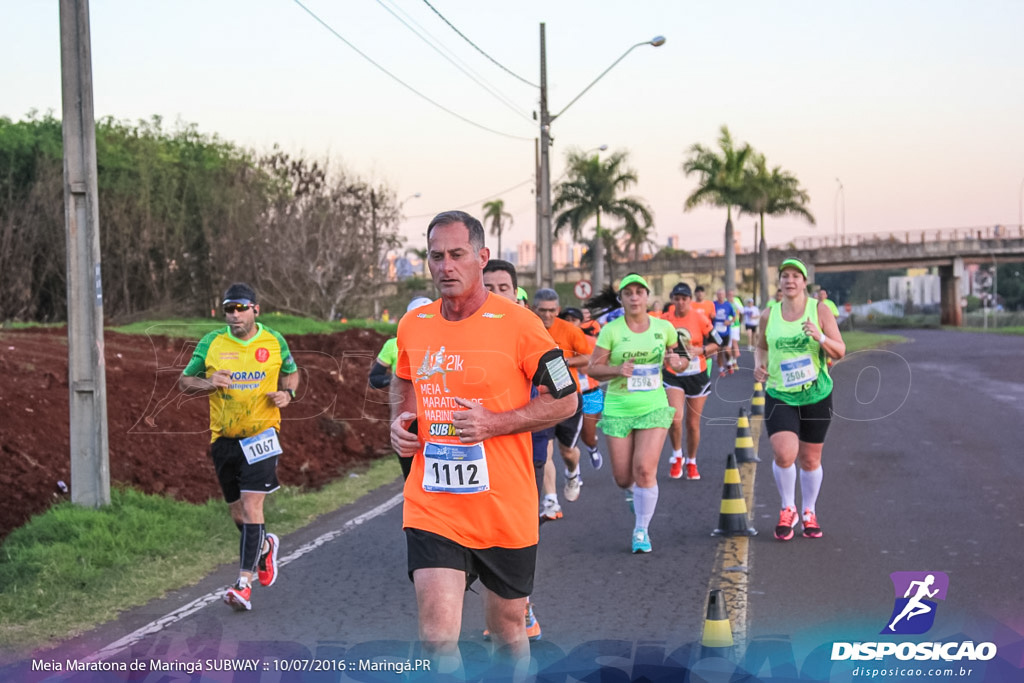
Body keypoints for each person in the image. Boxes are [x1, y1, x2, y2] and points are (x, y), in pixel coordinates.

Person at [389, 210, 578, 674]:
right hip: (435, 501)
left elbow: (566, 398)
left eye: (457, 255)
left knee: (509, 631)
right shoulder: (414, 325)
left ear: (482, 257)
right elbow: (403, 379)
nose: (446, 266)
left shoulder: (521, 324)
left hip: (503, 503)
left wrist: (494, 423)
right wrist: (399, 423)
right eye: (436, 257)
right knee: (436, 638)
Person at [178, 283, 299, 611]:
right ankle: (263, 548)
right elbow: (184, 381)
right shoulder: (211, 343)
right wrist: (207, 382)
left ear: (255, 309)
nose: (234, 314)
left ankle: (243, 584)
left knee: (250, 507)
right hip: (224, 439)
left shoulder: (273, 340)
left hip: (262, 435)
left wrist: (288, 395)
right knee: (237, 512)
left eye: (240, 308)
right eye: (228, 308)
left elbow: (291, 372)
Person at [587, 273, 687, 553]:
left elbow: (679, 360)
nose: (634, 297)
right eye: (628, 292)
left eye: (638, 292)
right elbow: (593, 368)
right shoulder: (612, 331)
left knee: (644, 468)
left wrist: (677, 361)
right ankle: (634, 494)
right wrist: (618, 370)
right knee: (623, 478)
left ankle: (641, 530)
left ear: (647, 297)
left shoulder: (664, 328)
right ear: (621, 299)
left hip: (653, 406)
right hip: (619, 407)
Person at [753, 258, 845, 542]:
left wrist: (820, 338)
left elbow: (839, 351)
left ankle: (809, 512)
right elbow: (760, 346)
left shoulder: (819, 310)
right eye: (785, 276)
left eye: (796, 276)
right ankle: (787, 508)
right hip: (780, 393)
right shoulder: (769, 314)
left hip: (816, 393)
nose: (790, 280)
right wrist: (759, 364)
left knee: (810, 458)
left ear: (805, 282)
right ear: (779, 282)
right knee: (783, 453)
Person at [531, 289, 593, 517]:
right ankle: (551, 501)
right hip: (540, 399)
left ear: (557, 310)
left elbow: (587, 357)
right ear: (533, 309)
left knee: (567, 451)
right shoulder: (528, 328)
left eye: (551, 311)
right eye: (542, 310)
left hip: (568, 397)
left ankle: (573, 472)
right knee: (544, 451)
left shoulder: (570, 331)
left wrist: (564, 361)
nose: (547, 315)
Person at [661, 282, 723, 481]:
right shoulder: (665, 320)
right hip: (673, 374)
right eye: (677, 299)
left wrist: (701, 350)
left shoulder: (699, 317)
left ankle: (692, 461)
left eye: (684, 299)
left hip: (697, 373)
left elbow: (718, 343)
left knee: (693, 424)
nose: (680, 303)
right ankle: (677, 455)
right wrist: (664, 354)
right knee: (676, 418)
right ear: (672, 300)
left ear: (689, 300)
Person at [368, 296, 434, 480]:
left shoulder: (448, 343)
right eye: (419, 317)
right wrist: (400, 380)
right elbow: (374, 379)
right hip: (408, 417)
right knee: (412, 477)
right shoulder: (394, 344)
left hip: (438, 417)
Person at [559, 307, 604, 471]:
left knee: (588, 435)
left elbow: (601, 365)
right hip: (568, 394)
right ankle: (573, 471)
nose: (570, 323)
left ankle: (593, 447)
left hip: (590, 393)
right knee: (569, 440)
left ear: (581, 323)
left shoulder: (591, 342)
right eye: (566, 319)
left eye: (574, 320)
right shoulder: (555, 341)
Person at [712, 289, 737, 377]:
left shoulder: (728, 305)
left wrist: (729, 322)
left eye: (722, 294)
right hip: (716, 332)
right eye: (719, 294)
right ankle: (721, 369)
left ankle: (729, 362)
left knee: (726, 349)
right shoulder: (713, 304)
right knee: (719, 350)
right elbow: (708, 315)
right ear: (717, 295)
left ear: (724, 295)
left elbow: (734, 317)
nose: (720, 296)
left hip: (726, 331)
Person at [729, 288, 745, 368]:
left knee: (734, 343)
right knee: (729, 344)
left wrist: (734, 302)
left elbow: (742, 310)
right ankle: (730, 361)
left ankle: (734, 361)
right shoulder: (725, 301)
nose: (730, 296)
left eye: (732, 295)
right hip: (728, 326)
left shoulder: (736, 300)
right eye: (729, 295)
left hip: (735, 325)